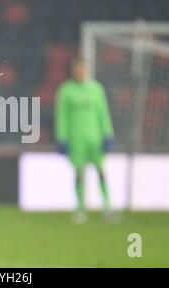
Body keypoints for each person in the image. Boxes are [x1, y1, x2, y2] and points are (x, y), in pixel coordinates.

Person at [54, 58, 114, 223]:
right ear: (73, 71)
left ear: (86, 70)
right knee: (79, 173)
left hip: (95, 137)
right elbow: (62, 116)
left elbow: (103, 113)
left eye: (82, 69)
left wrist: (108, 134)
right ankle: (80, 208)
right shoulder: (66, 90)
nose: (80, 72)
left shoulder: (96, 89)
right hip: (76, 139)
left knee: (101, 171)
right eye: (77, 69)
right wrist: (62, 138)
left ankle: (107, 207)